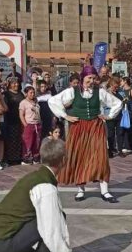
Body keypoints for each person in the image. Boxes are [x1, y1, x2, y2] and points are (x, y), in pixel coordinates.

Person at [48, 70, 122, 202]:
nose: (91, 81)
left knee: (101, 157)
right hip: (79, 127)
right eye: (89, 78)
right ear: (83, 77)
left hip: (95, 126)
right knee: (80, 156)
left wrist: (109, 116)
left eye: (93, 78)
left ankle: (105, 191)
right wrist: (65, 116)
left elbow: (117, 103)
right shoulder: (72, 91)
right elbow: (53, 101)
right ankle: (81, 190)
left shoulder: (100, 92)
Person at [2, 78, 25, 166]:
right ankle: (9, 159)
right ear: (9, 84)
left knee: (19, 139)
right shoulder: (6, 94)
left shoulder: (20, 94)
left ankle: (18, 157)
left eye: (17, 83)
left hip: (20, 120)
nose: (16, 85)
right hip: (10, 120)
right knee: (10, 140)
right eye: (13, 83)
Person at [19, 86, 41, 164]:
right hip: (29, 124)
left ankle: (35, 157)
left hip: (37, 124)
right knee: (28, 142)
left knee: (37, 142)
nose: (32, 94)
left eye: (33, 92)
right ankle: (26, 158)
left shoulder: (36, 101)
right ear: (26, 93)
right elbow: (21, 114)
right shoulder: (23, 103)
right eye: (30, 93)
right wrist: (25, 124)